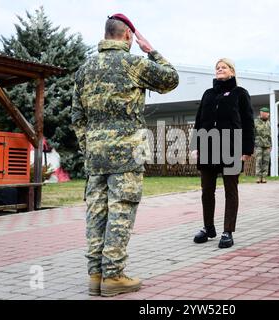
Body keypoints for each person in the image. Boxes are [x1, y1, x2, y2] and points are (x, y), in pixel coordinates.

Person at [71, 13, 179, 297]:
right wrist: (151, 50)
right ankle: (114, 276)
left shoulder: (84, 69)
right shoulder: (133, 63)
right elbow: (171, 79)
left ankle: (95, 275)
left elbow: (77, 116)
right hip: (126, 155)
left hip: (95, 156)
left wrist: (90, 146)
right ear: (128, 36)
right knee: (121, 210)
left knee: (97, 212)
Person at [191, 58, 255, 249]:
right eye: (217, 68)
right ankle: (208, 227)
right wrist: (195, 145)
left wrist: (247, 150)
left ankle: (228, 231)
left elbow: (248, 122)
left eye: (223, 67)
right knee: (206, 191)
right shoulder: (208, 94)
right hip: (208, 147)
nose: (220, 69)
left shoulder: (240, 93)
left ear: (232, 72)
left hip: (231, 147)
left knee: (230, 191)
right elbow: (199, 119)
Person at [254, 106, 272, 184]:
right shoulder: (255, 121)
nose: (267, 115)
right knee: (258, 160)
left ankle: (264, 177)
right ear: (262, 113)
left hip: (267, 144)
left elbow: (270, 135)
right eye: (265, 113)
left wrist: (271, 144)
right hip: (258, 144)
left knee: (266, 161)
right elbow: (253, 133)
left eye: (267, 114)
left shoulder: (268, 122)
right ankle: (258, 177)